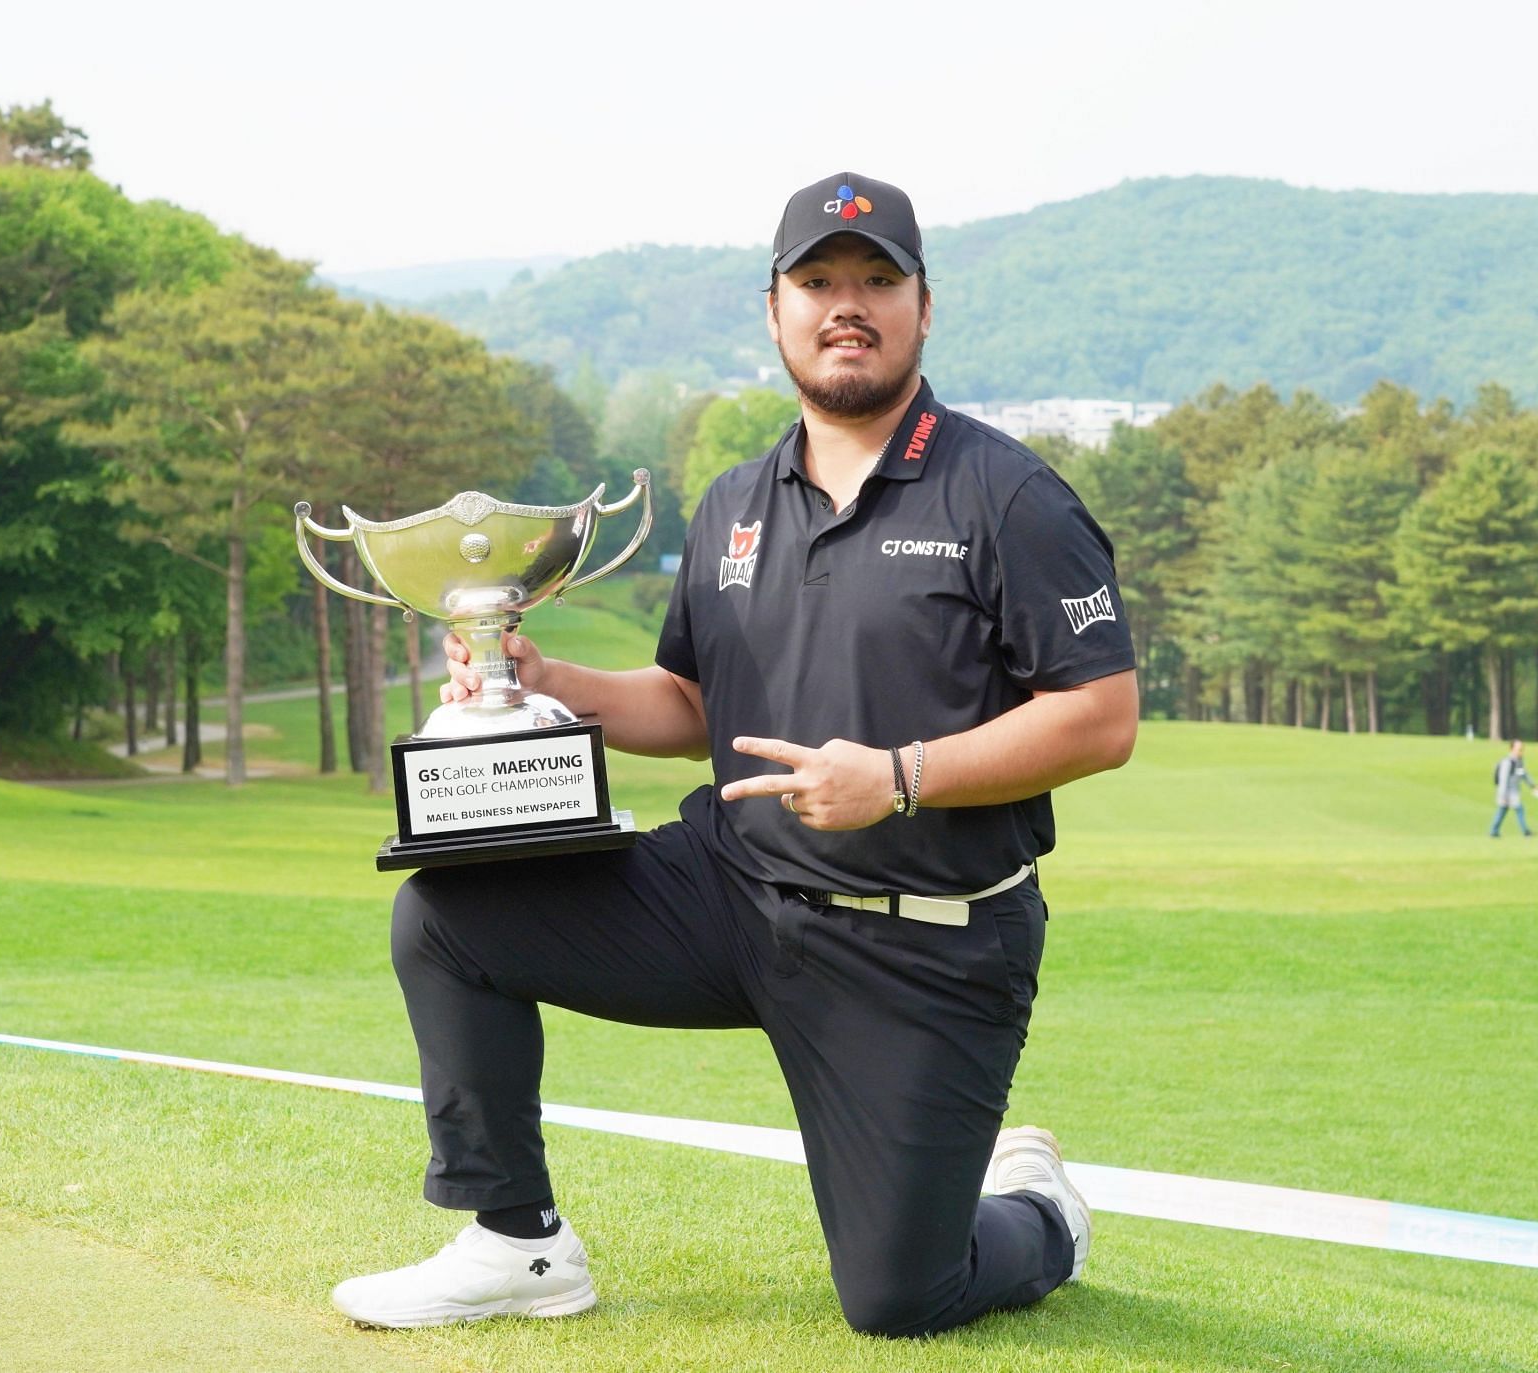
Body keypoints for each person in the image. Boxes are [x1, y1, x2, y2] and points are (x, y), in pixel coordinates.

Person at [331, 172, 1139, 1338]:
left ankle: (1039, 1207)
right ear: (775, 310)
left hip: (921, 940)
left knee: (902, 1295)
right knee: (447, 915)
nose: (844, 306)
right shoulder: (736, 502)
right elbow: (687, 698)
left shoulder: (1006, 493)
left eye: (875, 282)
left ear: (923, 306)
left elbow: (1100, 714)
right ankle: (515, 1243)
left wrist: (899, 776)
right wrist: (547, 683)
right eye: (818, 282)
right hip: (727, 891)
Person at [1490, 739, 1538, 837]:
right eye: (1518, 749)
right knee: (1519, 809)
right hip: (1508, 792)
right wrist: (1502, 794)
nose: (1521, 751)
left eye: (1522, 749)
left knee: (1503, 811)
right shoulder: (1508, 762)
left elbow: (1523, 774)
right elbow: (1503, 780)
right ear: (1512, 749)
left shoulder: (1518, 762)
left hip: (1513, 791)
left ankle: (1494, 831)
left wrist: (1533, 785)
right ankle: (1525, 831)